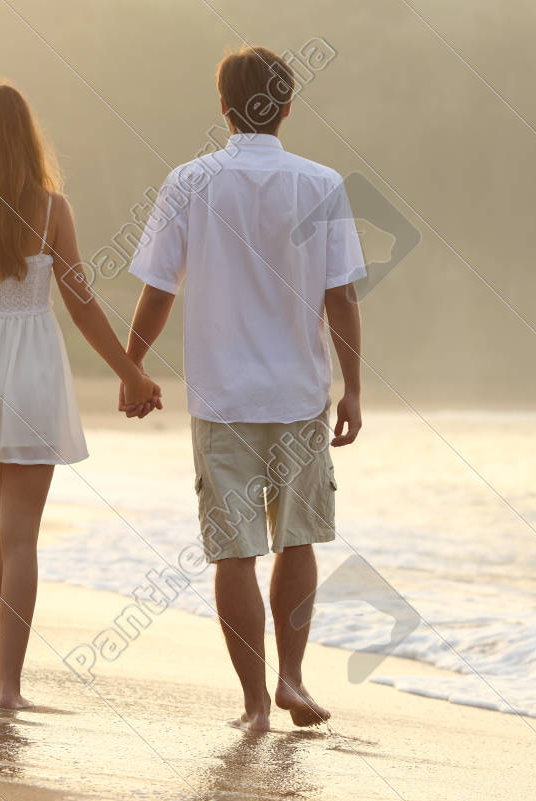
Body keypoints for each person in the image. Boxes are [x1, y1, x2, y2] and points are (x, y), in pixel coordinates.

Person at [124, 46, 366, 731]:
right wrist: (353, 390)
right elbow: (342, 296)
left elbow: (158, 289)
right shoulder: (321, 183)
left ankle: (256, 704)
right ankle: (292, 677)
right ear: (289, 106)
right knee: (297, 540)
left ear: (223, 107)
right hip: (298, 393)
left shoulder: (189, 181)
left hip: (223, 398)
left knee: (233, 551)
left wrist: (132, 366)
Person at [0, 81, 160, 710]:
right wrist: (131, 371)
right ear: (26, 139)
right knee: (21, 537)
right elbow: (81, 304)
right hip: (34, 372)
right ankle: (11, 683)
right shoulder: (51, 210)